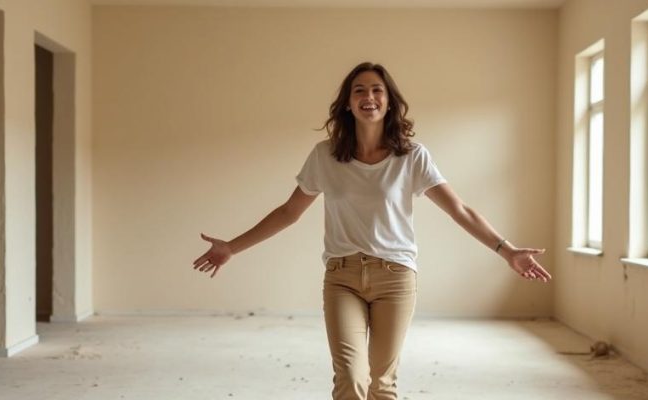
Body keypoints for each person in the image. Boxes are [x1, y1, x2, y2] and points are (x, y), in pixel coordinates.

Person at [192, 62, 552, 400]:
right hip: (342, 277)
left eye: (377, 90)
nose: (369, 97)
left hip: (395, 278)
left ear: (389, 101)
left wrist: (508, 250)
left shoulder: (412, 156)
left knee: (382, 383)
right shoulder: (325, 156)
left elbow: (460, 210)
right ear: (348, 104)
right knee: (350, 378)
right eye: (359, 90)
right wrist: (231, 247)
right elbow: (289, 212)